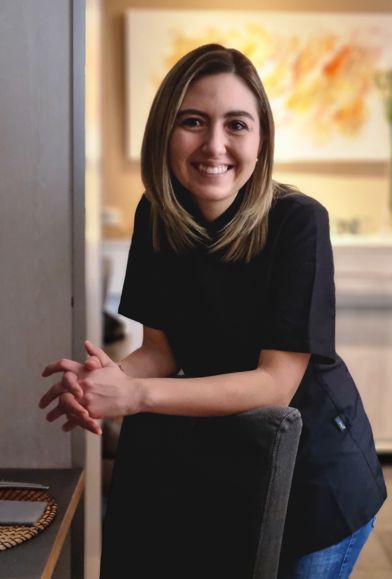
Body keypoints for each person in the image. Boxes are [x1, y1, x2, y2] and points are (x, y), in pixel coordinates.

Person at [39, 44, 386, 578]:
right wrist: (103, 379)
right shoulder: (156, 215)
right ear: (164, 132)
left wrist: (133, 394)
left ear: (261, 139)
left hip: (321, 478)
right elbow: (160, 351)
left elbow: (274, 384)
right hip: (235, 459)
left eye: (237, 124)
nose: (215, 145)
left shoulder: (299, 223)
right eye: (193, 121)